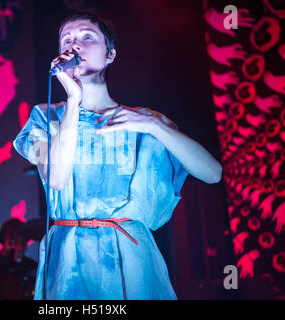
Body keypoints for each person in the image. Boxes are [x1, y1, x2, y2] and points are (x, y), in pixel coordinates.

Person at [13, 11, 222, 299]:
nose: (75, 45)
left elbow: (212, 173)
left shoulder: (145, 120)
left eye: (87, 37)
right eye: (67, 40)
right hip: (68, 261)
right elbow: (56, 179)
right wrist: (73, 102)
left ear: (110, 54)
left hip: (130, 258)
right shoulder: (43, 117)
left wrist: (153, 125)